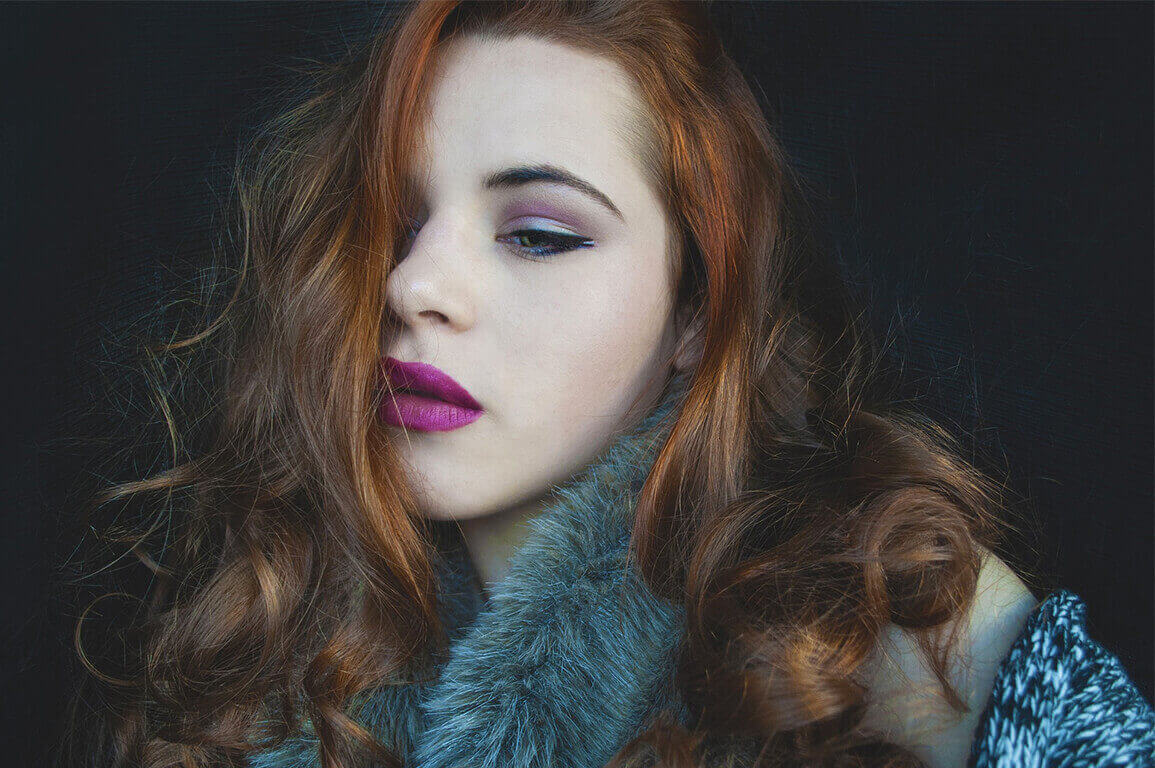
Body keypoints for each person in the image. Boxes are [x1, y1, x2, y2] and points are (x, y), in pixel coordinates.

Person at [60, 2, 1154, 768]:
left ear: (694, 311)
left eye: (538, 234)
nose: (413, 284)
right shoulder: (270, 640)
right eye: (390, 223)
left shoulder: (891, 626)